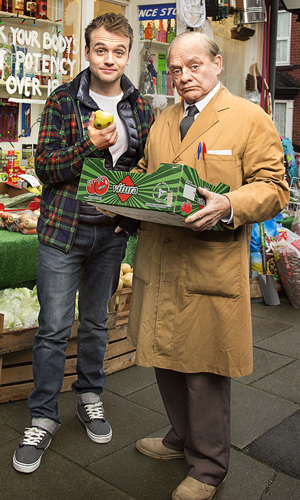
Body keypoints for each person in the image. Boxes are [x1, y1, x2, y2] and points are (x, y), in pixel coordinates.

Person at [127, 32, 289, 500]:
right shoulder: (164, 119)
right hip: (161, 258)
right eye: (175, 70)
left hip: (209, 262)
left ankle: (208, 467)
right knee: (164, 360)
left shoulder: (248, 118)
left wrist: (230, 204)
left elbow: (275, 187)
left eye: (193, 66)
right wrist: (121, 195)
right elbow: (147, 174)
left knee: (203, 368)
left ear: (217, 63)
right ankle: (181, 438)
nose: (183, 77)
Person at [13, 13, 154, 474]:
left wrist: (129, 224)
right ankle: (43, 415)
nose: (109, 59)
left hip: (110, 236)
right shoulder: (61, 101)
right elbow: (46, 169)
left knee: (96, 323)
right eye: (100, 49)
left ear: (128, 54)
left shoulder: (140, 108)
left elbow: (141, 176)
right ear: (87, 52)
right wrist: (89, 145)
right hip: (62, 232)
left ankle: (90, 395)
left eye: (118, 51)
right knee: (53, 327)